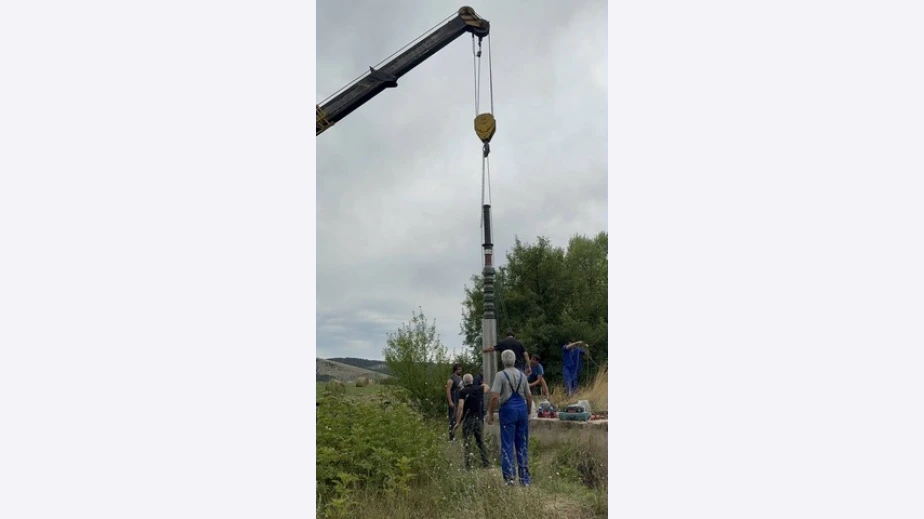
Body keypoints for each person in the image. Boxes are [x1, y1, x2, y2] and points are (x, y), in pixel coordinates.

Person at [488, 350, 532, 486]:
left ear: (503, 360)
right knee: (522, 444)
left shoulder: (500, 375)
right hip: (522, 409)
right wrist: (528, 412)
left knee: (507, 445)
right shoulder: (522, 375)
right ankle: (525, 480)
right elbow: (529, 396)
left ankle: (510, 479)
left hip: (508, 410)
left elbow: (494, 396)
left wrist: (490, 413)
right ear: (514, 360)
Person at [453, 374, 491, 469]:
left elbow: (460, 407)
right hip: (478, 419)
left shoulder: (462, 391)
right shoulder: (478, 389)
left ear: (463, 382)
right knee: (480, 442)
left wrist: (458, 422)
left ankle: (468, 465)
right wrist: (481, 384)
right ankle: (486, 463)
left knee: (467, 442)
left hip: (468, 420)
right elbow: (487, 387)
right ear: (472, 380)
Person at [445, 363, 463, 441]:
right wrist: (450, 401)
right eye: (459, 369)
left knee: (458, 417)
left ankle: (455, 433)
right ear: (455, 370)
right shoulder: (451, 378)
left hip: (459, 400)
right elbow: (448, 390)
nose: (460, 370)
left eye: (461, 369)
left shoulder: (460, 378)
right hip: (453, 400)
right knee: (452, 418)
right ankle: (451, 437)